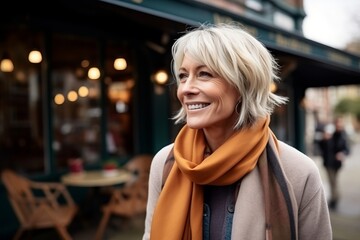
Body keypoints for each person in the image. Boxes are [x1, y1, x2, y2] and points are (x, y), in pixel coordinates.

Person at [143, 23, 332, 240]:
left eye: (204, 74)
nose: (186, 88)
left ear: (244, 84)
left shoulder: (299, 172)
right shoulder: (166, 162)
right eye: (184, 76)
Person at [319, 117, 350, 210]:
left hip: (336, 164)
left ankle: (335, 199)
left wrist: (342, 154)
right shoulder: (330, 134)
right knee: (333, 181)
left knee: (334, 181)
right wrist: (324, 139)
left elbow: (347, 150)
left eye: (340, 124)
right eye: (337, 124)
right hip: (328, 163)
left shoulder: (343, 136)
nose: (338, 126)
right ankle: (334, 198)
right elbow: (322, 147)